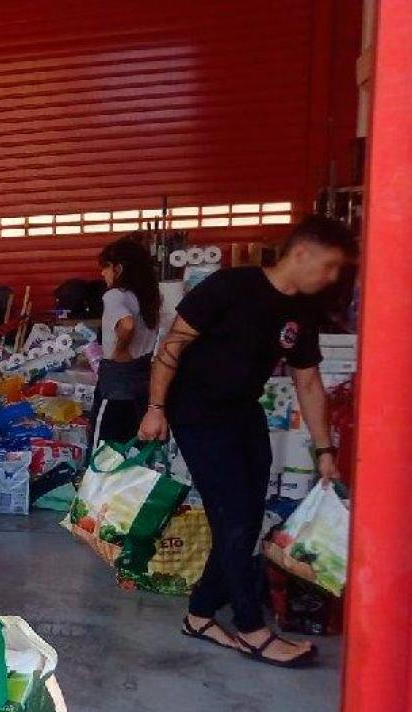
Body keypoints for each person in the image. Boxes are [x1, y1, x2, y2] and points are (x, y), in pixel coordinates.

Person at [138, 214, 355, 668]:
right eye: (330, 265)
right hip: (197, 414)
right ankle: (251, 626)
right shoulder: (229, 287)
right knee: (235, 518)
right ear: (302, 253)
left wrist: (324, 449)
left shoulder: (300, 313)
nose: (332, 277)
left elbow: (308, 382)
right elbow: (172, 346)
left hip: (244, 413)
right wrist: (156, 408)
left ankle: (199, 615)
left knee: (244, 519)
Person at [89, 238, 162, 448]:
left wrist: (121, 350)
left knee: (104, 450)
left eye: (106, 267)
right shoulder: (147, 298)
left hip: (117, 383)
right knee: (131, 448)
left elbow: (127, 325)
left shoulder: (114, 296)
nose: (103, 273)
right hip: (141, 384)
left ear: (118, 268)